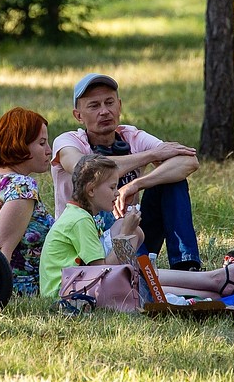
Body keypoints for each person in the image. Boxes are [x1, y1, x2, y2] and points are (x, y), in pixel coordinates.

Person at [39, 155, 234, 301]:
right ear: (91, 190)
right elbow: (102, 269)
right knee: (139, 280)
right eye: (112, 187)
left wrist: (131, 231)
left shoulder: (80, 215)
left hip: (77, 285)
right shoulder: (79, 221)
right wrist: (125, 233)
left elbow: (119, 256)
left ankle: (216, 284)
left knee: (140, 275)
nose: (116, 193)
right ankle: (215, 286)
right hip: (68, 293)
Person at [52, 73, 202, 270]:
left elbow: (189, 161)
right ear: (78, 115)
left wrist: (136, 184)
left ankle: (186, 265)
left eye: (109, 103)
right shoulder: (68, 142)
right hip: (88, 243)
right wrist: (150, 155)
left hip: (133, 230)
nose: (104, 111)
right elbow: (85, 166)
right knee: (138, 279)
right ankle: (142, 272)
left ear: (119, 106)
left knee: (173, 181)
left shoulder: (131, 136)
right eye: (94, 106)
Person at [0, 108, 55, 296]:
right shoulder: (22, 188)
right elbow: (1, 251)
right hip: (22, 289)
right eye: (42, 143)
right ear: (20, 145)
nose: (49, 150)